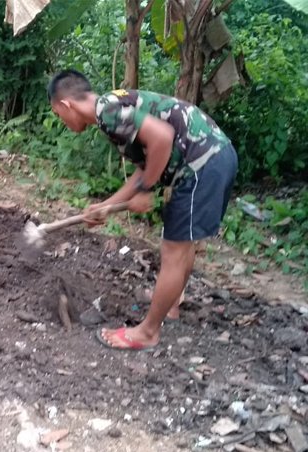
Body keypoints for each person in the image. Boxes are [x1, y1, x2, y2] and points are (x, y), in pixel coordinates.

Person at [47, 70, 237, 351]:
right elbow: (143, 169)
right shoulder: (112, 107)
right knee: (181, 246)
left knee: (173, 251)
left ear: (66, 105)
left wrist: (147, 191)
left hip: (200, 165)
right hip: (213, 157)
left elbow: (162, 136)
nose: (62, 122)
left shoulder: (106, 112)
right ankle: (170, 306)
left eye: (58, 115)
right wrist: (106, 206)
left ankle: (147, 332)